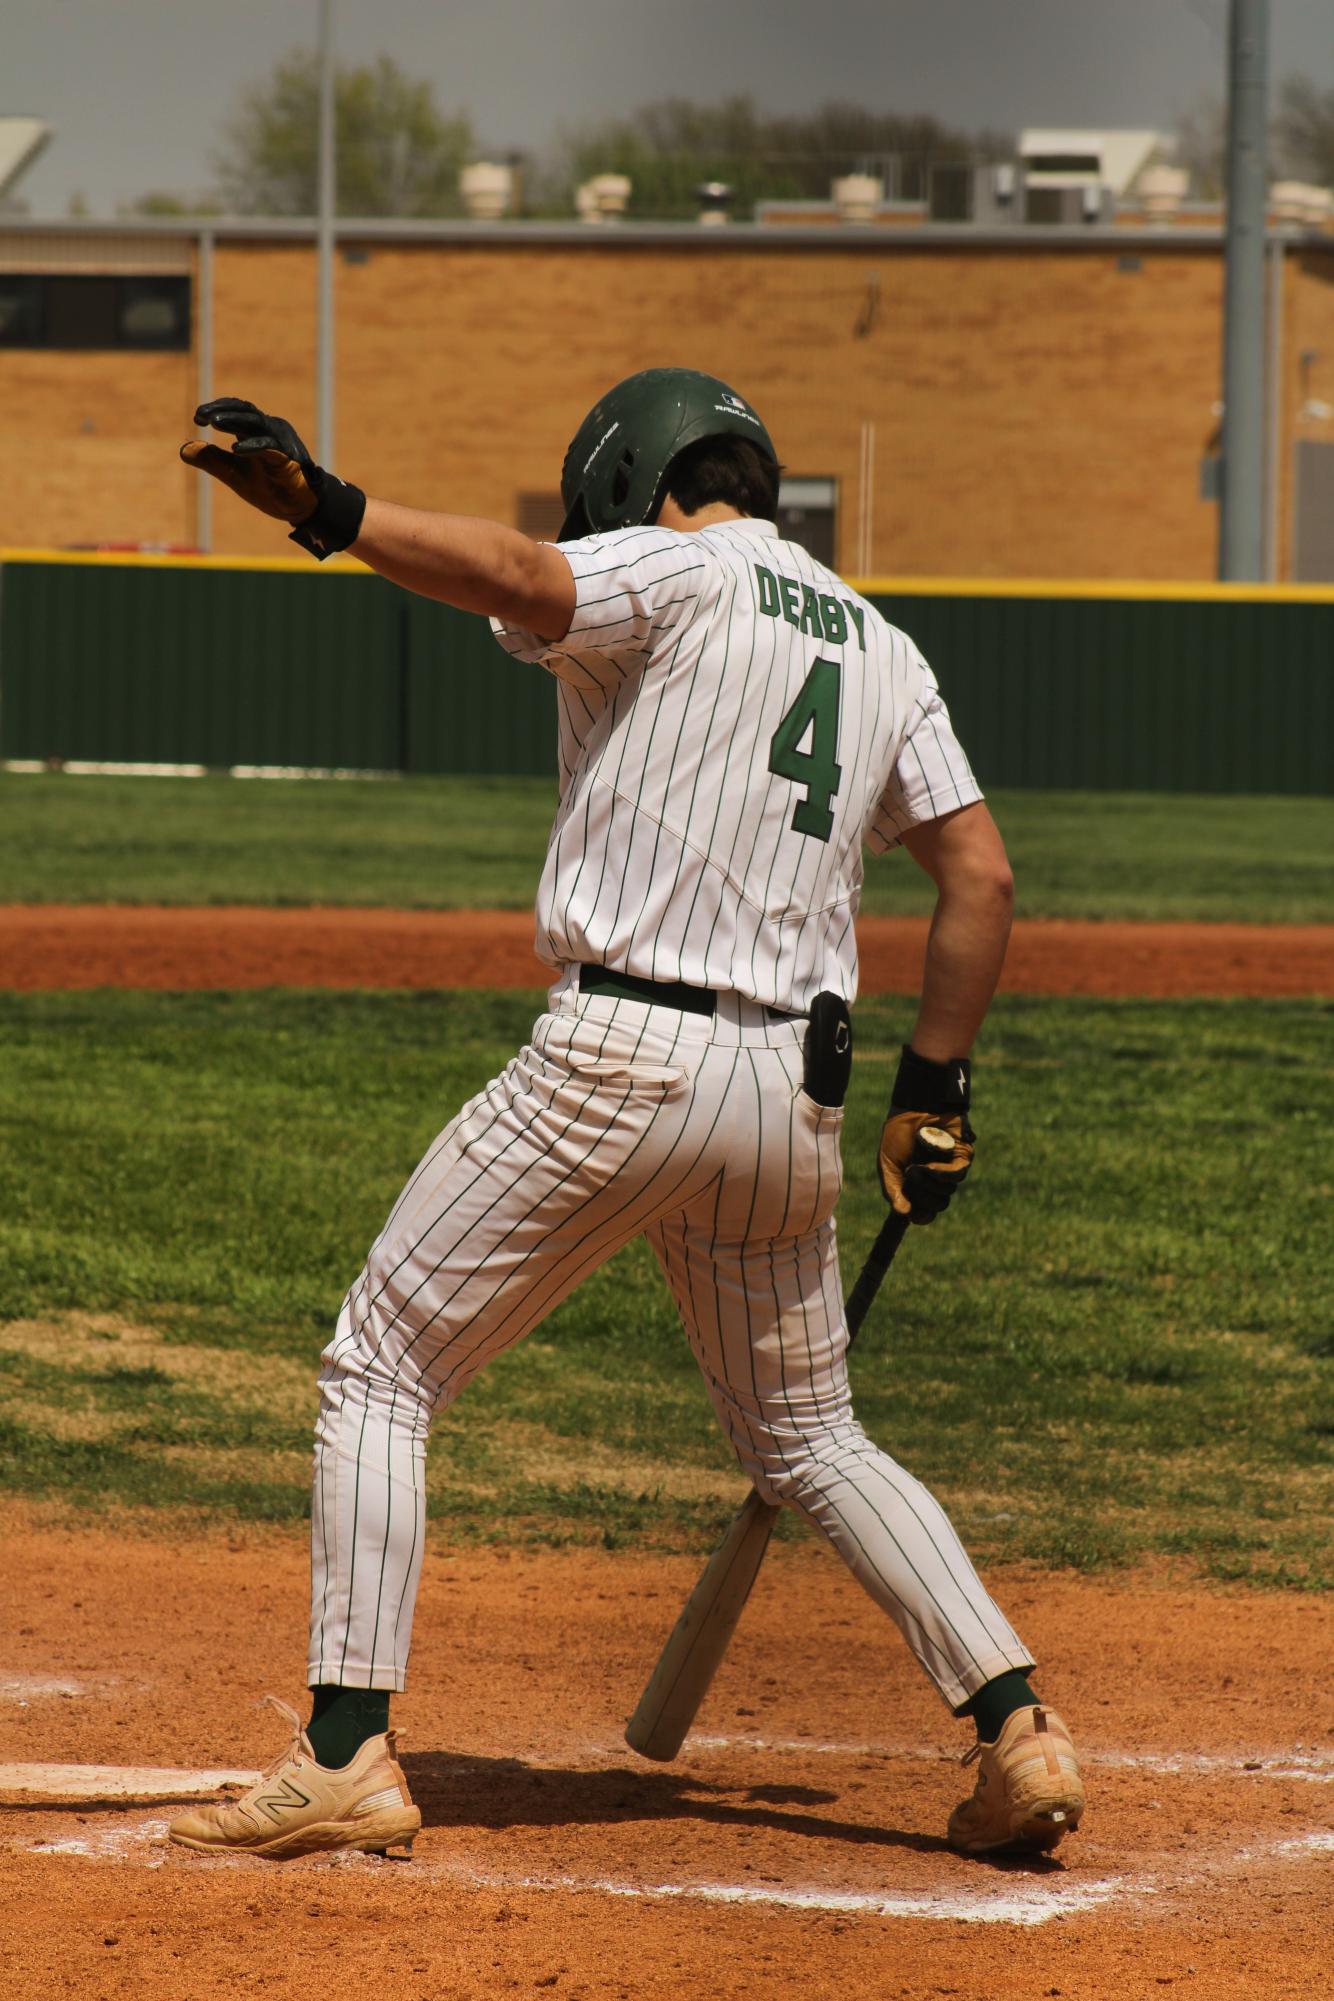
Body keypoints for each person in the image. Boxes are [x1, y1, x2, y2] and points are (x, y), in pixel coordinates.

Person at [166, 369, 1083, 1863]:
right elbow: (977, 875)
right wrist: (937, 1088)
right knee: (809, 1431)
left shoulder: (673, 561)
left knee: (385, 1357)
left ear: (629, 478)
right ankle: (1015, 1724)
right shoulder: (882, 642)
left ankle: (342, 1752)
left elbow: (526, 576)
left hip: (621, 1058)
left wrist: (327, 511)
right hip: (796, 1096)